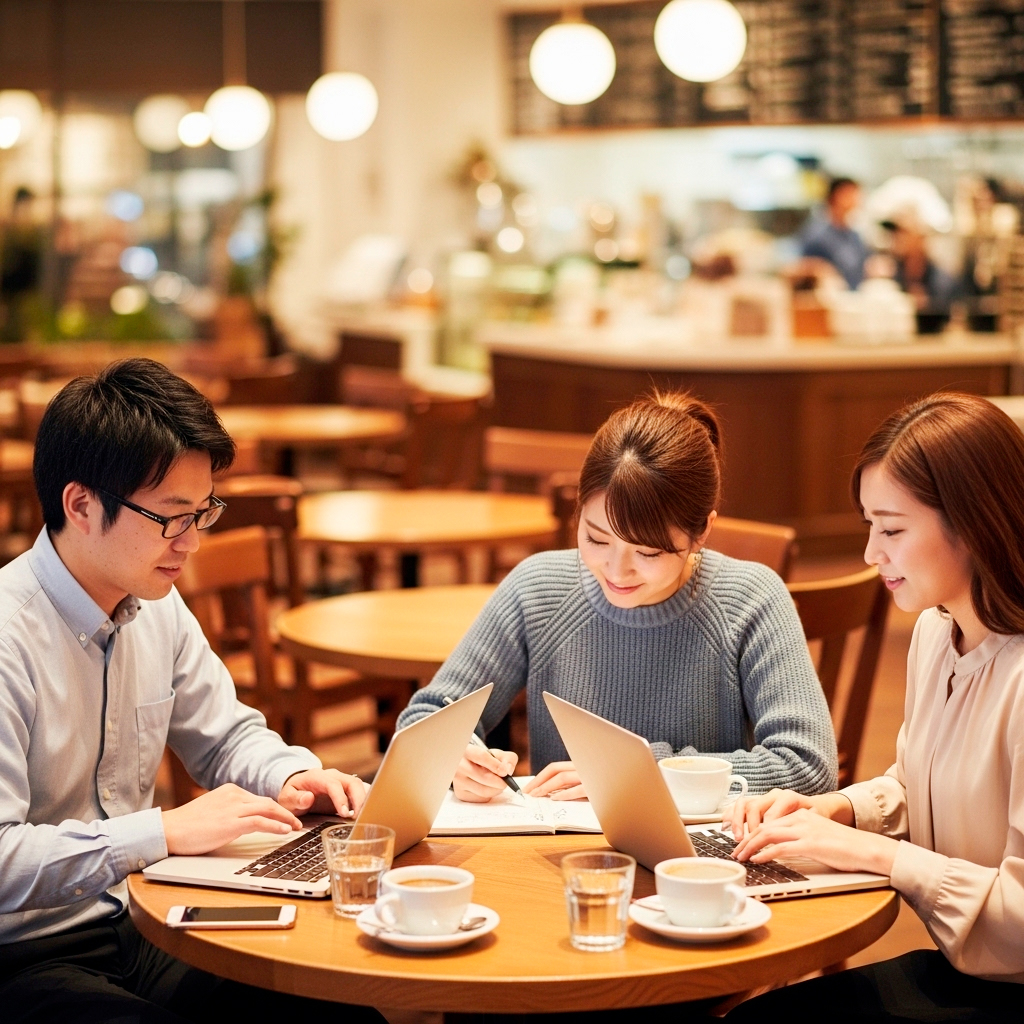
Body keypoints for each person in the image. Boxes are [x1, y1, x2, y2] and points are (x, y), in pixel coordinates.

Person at [0, 359, 384, 1023]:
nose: (192, 544)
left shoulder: (158, 606)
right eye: (172, 517)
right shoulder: (9, 636)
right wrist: (162, 832)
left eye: (203, 513)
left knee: (340, 1008)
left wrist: (295, 774)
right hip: (26, 950)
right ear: (81, 504)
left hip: (145, 919)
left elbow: (227, 733)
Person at [725, 392, 1024, 1021]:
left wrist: (873, 854)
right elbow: (923, 782)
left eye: (891, 529)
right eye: (869, 525)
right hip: (962, 974)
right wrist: (836, 809)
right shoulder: (937, 634)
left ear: (974, 522)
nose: (869, 553)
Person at [396, 391, 838, 803]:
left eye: (647, 551)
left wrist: (639, 773)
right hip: (561, 860)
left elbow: (807, 766)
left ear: (701, 530)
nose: (616, 569)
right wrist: (454, 759)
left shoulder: (751, 599)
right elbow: (425, 719)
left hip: (693, 864)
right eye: (596, 538)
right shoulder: (538, 589)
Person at [800, 176, 872, 290]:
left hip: (855, 297)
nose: (857, 199)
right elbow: (804, 270)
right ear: (838, 196)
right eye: (852, 194)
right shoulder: (817, 234)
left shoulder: (853, 235)